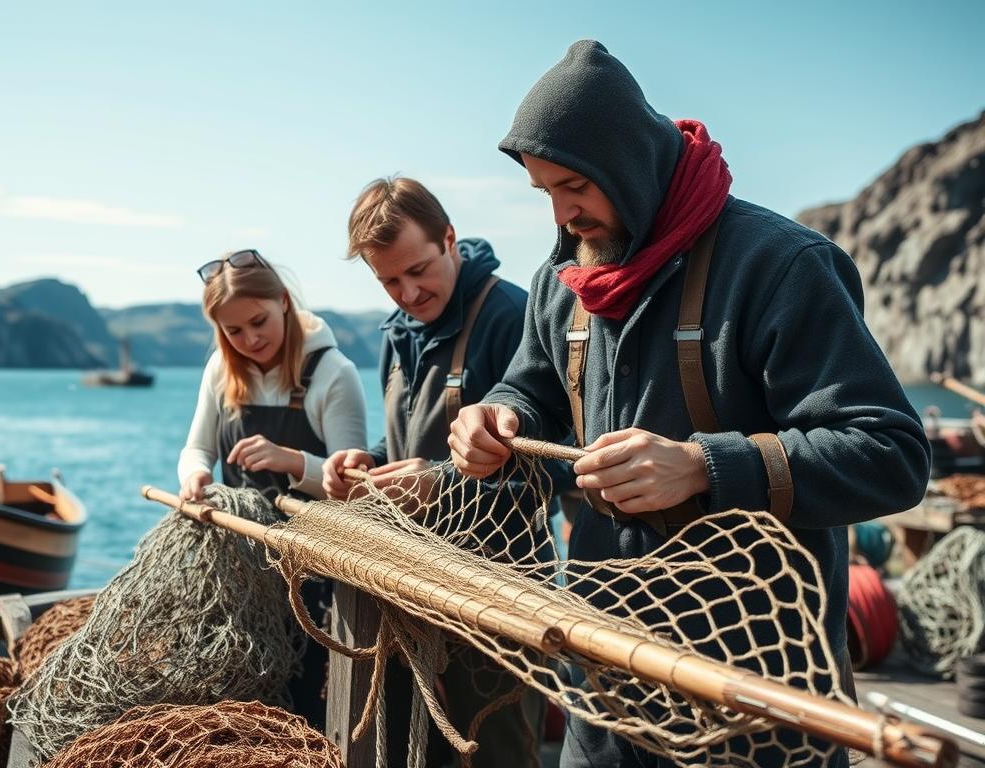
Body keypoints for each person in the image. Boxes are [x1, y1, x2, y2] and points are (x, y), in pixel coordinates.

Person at [448, 40, 930, 767]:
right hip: (602, 686)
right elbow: (534, 392)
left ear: (628, 164)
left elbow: (891, 455)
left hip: (755, 698)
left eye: (574, 184)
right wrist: (499, 419)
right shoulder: (562, 283)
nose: (561, 212)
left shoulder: (781, 266)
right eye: (544, 191)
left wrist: (704, 465)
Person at [321, 177, 561, 768]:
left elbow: (548, 472)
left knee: (504, 751)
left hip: (501, 591)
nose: (407, 292)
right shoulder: (396, 335)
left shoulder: (510, 318)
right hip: (413, 588)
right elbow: (404, 438)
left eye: (418, 270)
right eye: (389, 281)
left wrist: (434, 482)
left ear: (449, 238)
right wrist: (367, 462)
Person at [177, 247, 367, 730]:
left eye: (258, 321)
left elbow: (357, 487)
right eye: (233, 331)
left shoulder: (333, 374)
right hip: (241, 575)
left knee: (304, 704)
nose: (249, 339)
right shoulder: (221, 371)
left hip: (314, 580)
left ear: (284, 301)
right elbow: (197, 449)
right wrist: (194, 477)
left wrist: (293, 461)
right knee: (241, 701)